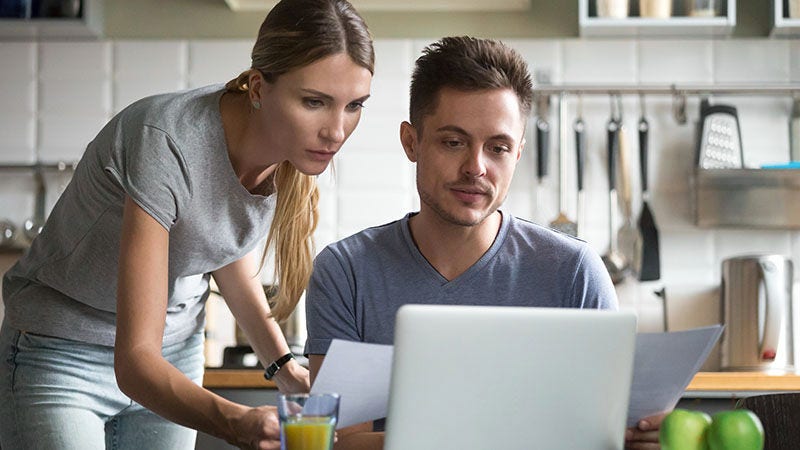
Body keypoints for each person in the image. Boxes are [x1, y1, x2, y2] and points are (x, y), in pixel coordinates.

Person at [0, 1, 373, 449]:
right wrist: (235, 422)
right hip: (62, 352)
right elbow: (135, 360)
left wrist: (284, 367)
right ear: (258, 88)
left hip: (173, 357)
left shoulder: (288, 152)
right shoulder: (166, 141)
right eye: (315, 102)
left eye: (354, 106)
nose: (336, 131)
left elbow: (221, 250)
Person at [304, 36, 664, 450]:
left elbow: (604, 432)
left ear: (518, 154)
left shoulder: (574, 272)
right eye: (453, 142)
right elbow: (345, 442)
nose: (476, 167)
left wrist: (645, 434)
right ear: (411, 142)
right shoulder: (347, 271)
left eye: (498, 148)